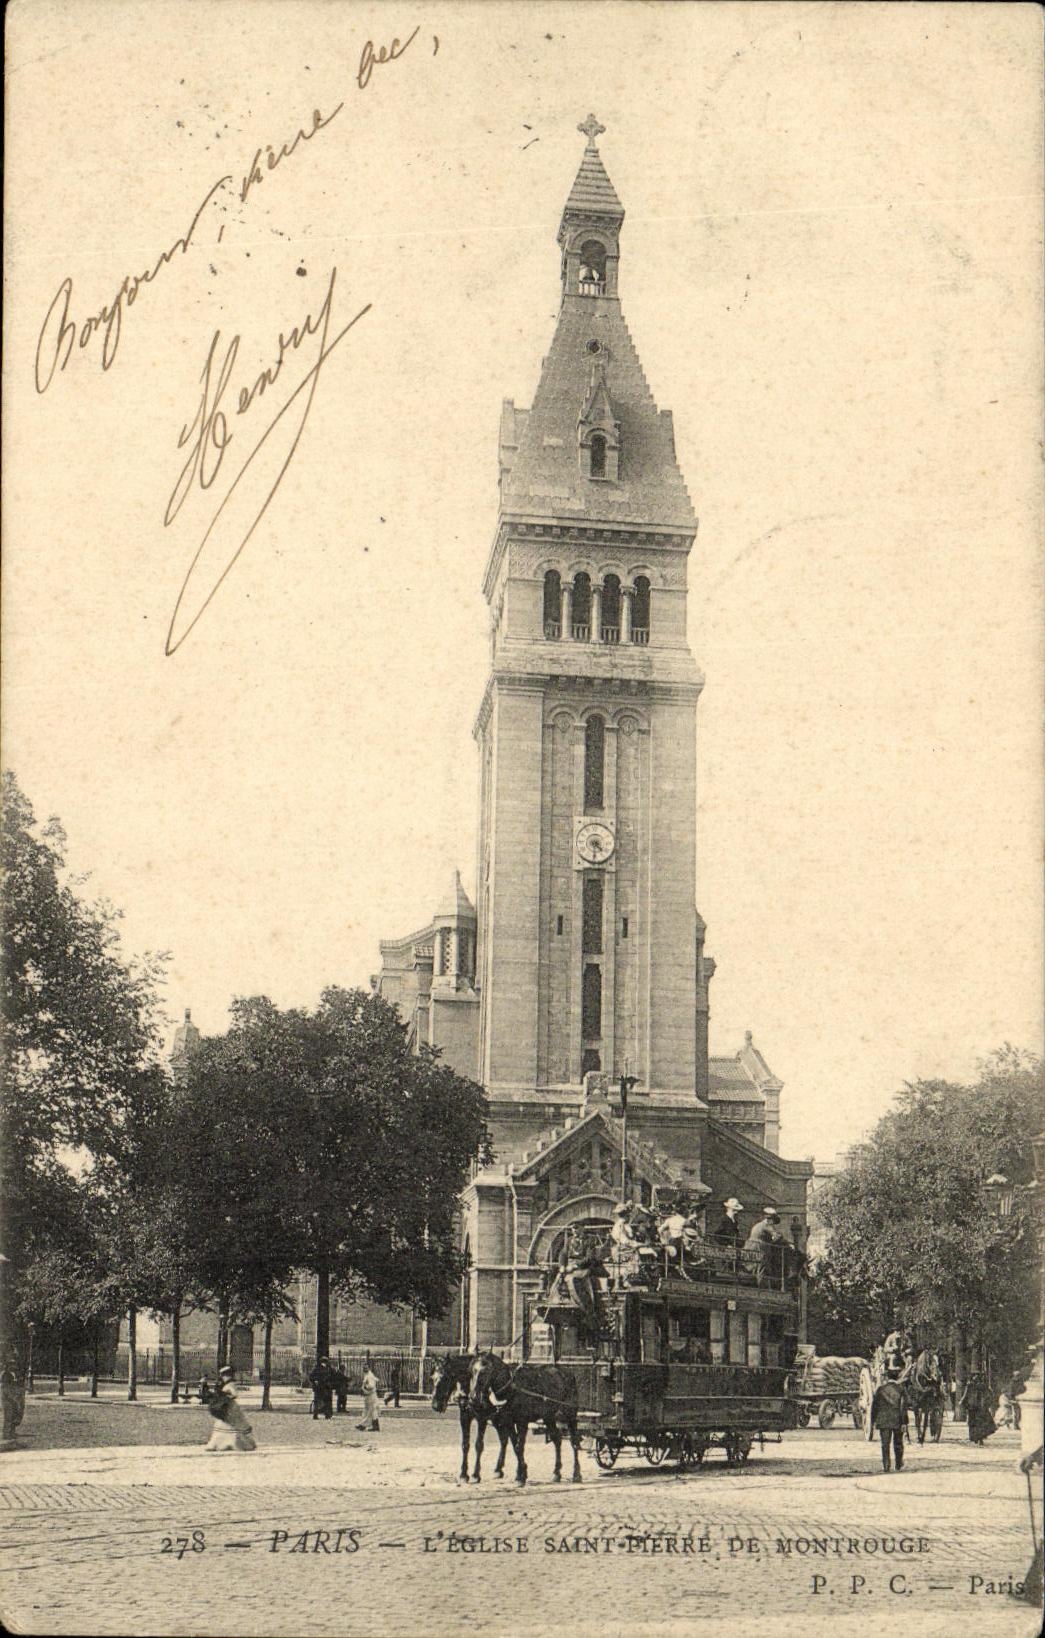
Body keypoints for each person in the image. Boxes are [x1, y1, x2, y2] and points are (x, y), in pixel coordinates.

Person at [204, 1366, 257, 1453]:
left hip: (230, 1407)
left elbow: (234, 1394)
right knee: (224, 1424)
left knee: (231, 1424)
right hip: (226, 1407)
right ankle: (221, 1443)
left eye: (225, 1375)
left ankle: (234, 1444)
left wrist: (224, 1395)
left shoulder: (231, 1384)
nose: (223, 1377)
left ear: (229, 1375)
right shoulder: (226, 1384)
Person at [870, 1368, 909, 1472]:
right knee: (898, 1443)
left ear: (887, 1378)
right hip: (897, 1421)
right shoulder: (901, 1390)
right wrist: (904, 1422)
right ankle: (898, 1465)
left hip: (883, 1421)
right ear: (897, 1377)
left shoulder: (880, 1389)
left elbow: (874, 1407)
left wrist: (873, 1421)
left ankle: (886, 1466)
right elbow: (903, 1407)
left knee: (885, 1444)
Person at [958, 1372, 998, 1445]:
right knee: (974, 1423)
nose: (976, 1377)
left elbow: (988, 1395)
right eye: (974, 1376)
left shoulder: (982, 1386)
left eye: (977, 1376)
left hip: (979, 1407)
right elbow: (966, 1395)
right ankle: (976, 1438)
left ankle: (979, 1438)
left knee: (979, 1423)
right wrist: (962, 1401)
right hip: (973, 1407)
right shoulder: (971, 1385)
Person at [358, 1360, 381, 1432]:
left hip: (371, 1396)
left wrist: (365, 1387)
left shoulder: (370, 1376)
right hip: (369, 1395)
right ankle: (372, 1426)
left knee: (370, 1411)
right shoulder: (368, 1375)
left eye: (366, 1368)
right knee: (370, 1411)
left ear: (369, 1368)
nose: (364, 1369)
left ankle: (364, 1425)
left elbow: (371, 1386)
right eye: (364, 1368)